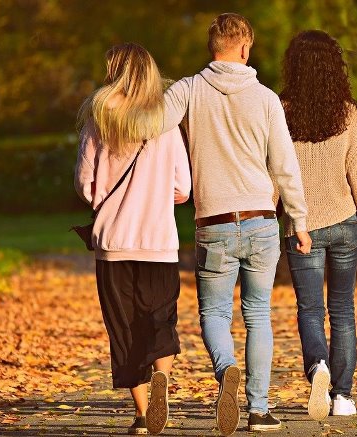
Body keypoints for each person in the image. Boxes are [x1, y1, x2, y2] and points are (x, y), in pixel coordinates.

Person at [159, 13, 310, 435]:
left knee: (214, 311)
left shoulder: (187, 90)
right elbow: (285, 166)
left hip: (214, 222)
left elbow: (151, 127)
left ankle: (226, 369)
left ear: (213, 48)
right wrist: (299, 220)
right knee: (259, 313)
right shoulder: (265, 99)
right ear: (246, 48)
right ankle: (259, 410)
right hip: (262, 219)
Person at [277, 30, 357, 421]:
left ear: (294, 68)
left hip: (301, 227)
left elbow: (275, 175)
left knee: (310, 309)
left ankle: (318, 366)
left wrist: (264, 219)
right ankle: (343, 396)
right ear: (336, 67)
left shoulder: (279, 111)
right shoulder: (351, 113)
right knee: (343, 310)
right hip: (346, 225)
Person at [74, 43, 191, 435]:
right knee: (160, 320)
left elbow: (85, 186)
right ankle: (162, 381)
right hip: (159, 241)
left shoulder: (98, 118)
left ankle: (143, 416)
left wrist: (107, 198)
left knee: (124, 331)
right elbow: (183, 188)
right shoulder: (166, 121)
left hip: (113, 245)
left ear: (117, 72)